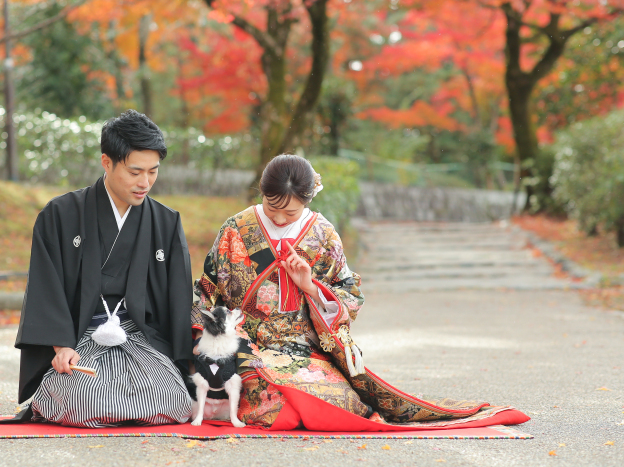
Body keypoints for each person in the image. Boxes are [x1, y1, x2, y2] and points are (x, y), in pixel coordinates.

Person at [192, 154, 513, 430]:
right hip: (242, 341)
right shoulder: (235, 228)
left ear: (307, 199)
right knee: (271, 402)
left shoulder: (322, 235)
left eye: (289, 213)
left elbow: (349, 293)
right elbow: (206, 288)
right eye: (271, 207)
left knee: (338, 402)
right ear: (261, 193)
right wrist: (203, 335)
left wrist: (311, 288)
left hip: (300, 345)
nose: (277, 218)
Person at [0, 110, 193, 428]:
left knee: (171, 401)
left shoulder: (166, 222)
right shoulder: (60, 215)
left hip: (139, 338)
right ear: (107, 162)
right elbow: (45, 287)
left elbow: (178, 298)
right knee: (85, 400)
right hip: (80, 338)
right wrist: (61, 345)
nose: (145, 183)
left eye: (153, 172)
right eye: (134, 172)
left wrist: (186, 364)